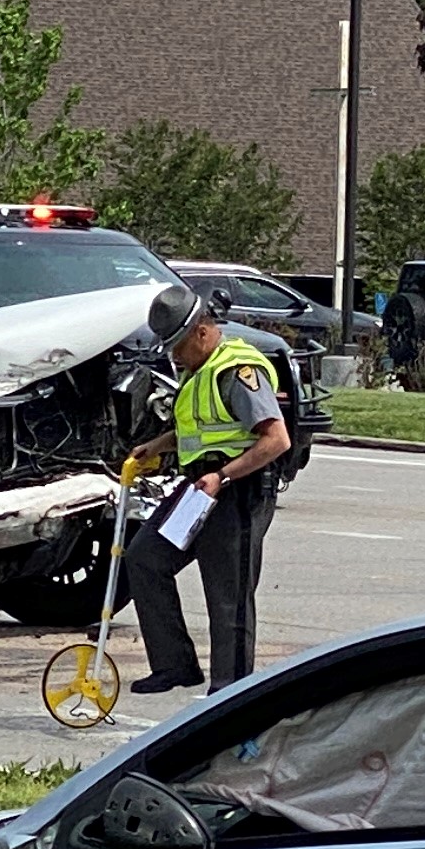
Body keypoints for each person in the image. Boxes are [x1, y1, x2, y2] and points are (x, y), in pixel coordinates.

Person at [121, 287, 291, 696]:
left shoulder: (237, 370)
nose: (173, 357)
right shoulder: (199, 369)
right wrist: (157, 446)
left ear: (201, 332)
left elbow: (276, 440)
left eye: (177, 346)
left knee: (227, 595)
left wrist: (225, 477)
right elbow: (198, 428)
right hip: (199, 486)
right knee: (145, 558)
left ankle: (228, 694)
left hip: (238, 490)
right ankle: (174, 664)